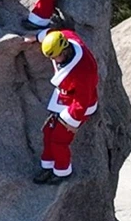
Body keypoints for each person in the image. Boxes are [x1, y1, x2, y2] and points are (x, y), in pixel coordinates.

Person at [31, 28, 99, 184]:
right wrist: (36, 37)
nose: (54, 60)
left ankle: (62, 171)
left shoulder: (84, 70)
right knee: (48, 131)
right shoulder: (66, 38)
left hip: (78, 106)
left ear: (65, 51)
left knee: (59, 139)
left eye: (55, 56)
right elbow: (54, 32)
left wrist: (70, 123)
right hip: (65, 97)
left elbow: (82, 101)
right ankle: (48, 166)